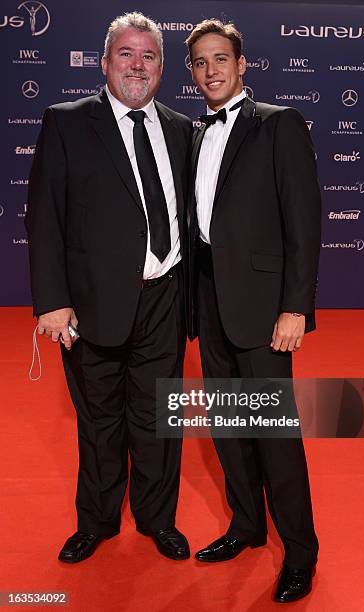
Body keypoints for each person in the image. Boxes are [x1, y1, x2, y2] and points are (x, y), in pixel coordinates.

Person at [25, 11, 192, 564]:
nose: (137, 65)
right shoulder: (67, 122)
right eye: (126, 53)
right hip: (93, 303)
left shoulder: (179, 127)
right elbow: (44, 219)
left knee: (158, 420)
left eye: (148, 55)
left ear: (162, 68)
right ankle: (96, 522)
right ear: (105, 62)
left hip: (165, 298)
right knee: (100, 421)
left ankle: (156, 519)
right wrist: (51, 301)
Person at [186, 20, 321, 603]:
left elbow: (304, 225)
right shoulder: (193, 133)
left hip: (263, 307)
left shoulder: (279, 123)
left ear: (243, 65)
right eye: (200, 62)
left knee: (273, 432)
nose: (211, 70)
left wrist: (295, 308)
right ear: (191, 72)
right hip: (208, 300)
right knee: (227, 425)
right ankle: (246, 525)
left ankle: (300, 550)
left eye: (222, 59)